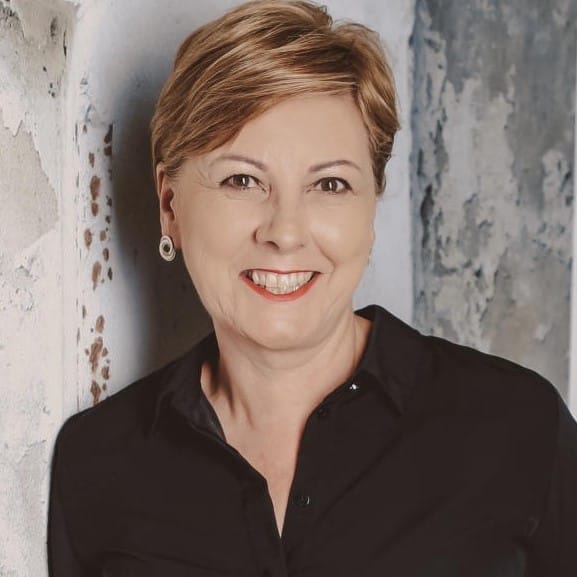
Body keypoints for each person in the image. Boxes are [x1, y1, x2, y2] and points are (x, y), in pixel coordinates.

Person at [47, 1, 577, 575]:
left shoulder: (517, 428)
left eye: (330, 184)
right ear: (170, 204)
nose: (285, 232)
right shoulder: (96, 463)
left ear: (371, 207)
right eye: (242, 179)